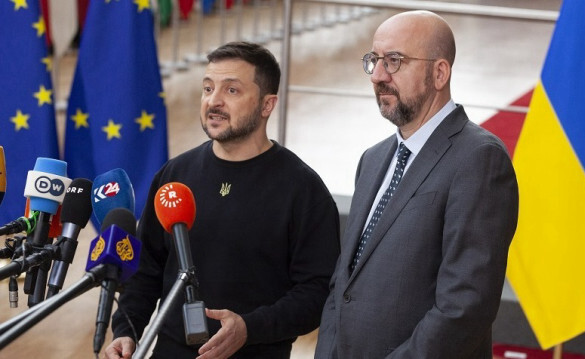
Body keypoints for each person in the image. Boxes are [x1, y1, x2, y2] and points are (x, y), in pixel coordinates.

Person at [104, 41, 341, 359]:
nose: (213, 101)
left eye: (231, 91)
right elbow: (145, 270)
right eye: (207, 88)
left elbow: (317, 292)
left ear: (266, 105)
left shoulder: (302, 189)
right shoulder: (175, 174)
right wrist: (127, 332)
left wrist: (249, 328)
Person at [314, 10, 518, 358]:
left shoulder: (479, 159)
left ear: (439, 73)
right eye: (374, 60)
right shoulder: (373, 159)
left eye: (394, 61)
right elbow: (342, 285)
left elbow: (464, 308)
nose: (378, 75)